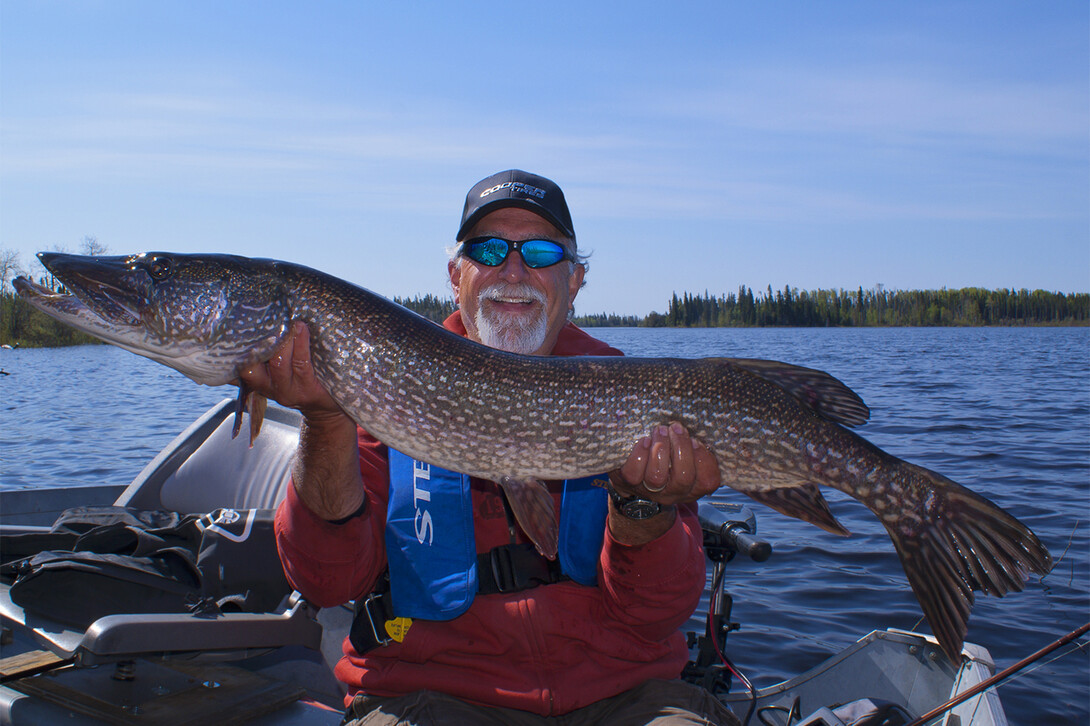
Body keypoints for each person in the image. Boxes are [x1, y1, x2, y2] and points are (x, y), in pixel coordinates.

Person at [240, 170, 740, 725]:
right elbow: (326, 582)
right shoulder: (381, 378)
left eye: (543, 252)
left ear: (574, 282)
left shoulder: (631, 398)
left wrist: (643, 507)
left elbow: (656, 613)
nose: (514, 269)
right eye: (489, 249)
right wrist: (325, 416)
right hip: (427, 694)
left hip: (625, 696)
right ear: (457, 276)